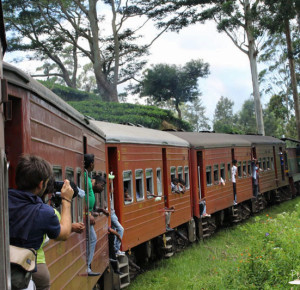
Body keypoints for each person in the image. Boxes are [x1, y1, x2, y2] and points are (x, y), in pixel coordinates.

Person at [8, 155, 74, 288]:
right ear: (41, 184)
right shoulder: (44, 213)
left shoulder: (4, 199)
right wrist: (66, 200)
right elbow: (65, 233)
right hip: (22, 276)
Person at [84, 154, 100, 276]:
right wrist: (87, 213)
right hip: (86, 214)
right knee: (92, 239)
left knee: (91, 239)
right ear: (91, 164)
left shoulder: (87, 176)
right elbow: (82, 197)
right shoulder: (84, 176)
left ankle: (88, 265)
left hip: (88, 212)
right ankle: (87, 266)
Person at [109, 174, 125, 256]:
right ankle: (116, 248)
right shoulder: (106, 194)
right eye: (110, 180)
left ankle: (115, 249)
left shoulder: (109, 193)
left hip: (113, 213)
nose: (111, 182)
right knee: (121, 229)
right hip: (111, 214)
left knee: (115, 229)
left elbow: (111, 190)